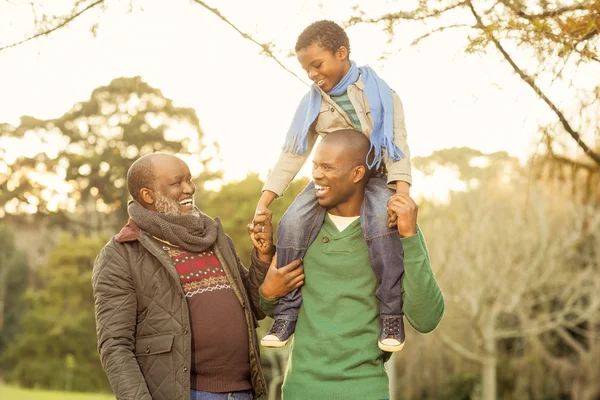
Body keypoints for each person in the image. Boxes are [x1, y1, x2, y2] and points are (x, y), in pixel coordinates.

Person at [252, 20, 413, 351]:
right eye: (306, 68)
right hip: (333, 178)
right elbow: (292, 153)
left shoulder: (383, 94)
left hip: (375, 174)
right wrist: (264, 201)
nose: (312, 73)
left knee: (382, 225)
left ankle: (390, 314)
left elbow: (398, 147)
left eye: (317, 64)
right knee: (292, 222)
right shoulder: (312, 103)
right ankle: (286, 313)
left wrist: (402, 195)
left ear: (342, 53)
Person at [91, 153, 301, 400]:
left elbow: (254, 306)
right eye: (176, 182)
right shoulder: (122, 254)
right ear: (147, 196)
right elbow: (115, 346)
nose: (189, 188)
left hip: (243, 392)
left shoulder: (214, 237)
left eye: (189, 180)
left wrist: (263, 256)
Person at [259, 130, 444, 400]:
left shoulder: (394, 233)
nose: (317, 175)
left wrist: (410, 238)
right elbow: (272, 308)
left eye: (328, 167)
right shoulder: (299, 232)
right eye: (315, 166)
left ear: (357, 174)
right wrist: (267, 289)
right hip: (300, 391)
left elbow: (426, 319)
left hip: (366, 390)